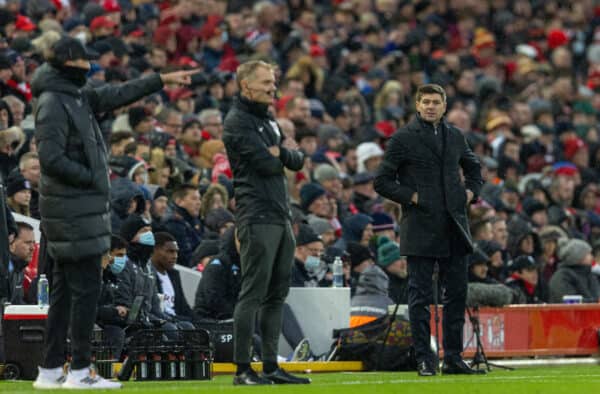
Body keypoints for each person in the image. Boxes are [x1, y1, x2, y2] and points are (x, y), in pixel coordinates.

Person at [31, 35, 198, 390]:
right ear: (66, 65)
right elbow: (50, 158)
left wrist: (159, 80)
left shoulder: (72, 95)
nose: (88, 69)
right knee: (86, 290)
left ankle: (48, 371)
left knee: (62, 292)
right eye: (82, 64)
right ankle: (78, 371)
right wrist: (93, 178)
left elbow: (115, 95)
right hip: (73, 211)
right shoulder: (53, 102)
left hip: (76, 211)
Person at [374, 84, 484, 376]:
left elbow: (474, 170)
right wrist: (413, 198)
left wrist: (470, 195)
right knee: (420, 296)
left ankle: (454, 357)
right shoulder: (403, 138)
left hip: (454, 225)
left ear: (444, 106)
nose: (431, 107)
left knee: (456, 294)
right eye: (426, 102)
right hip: (420, 226)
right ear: (418, 105)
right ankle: (424, 357)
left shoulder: (456, 135)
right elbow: (382, 181)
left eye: (436, 102)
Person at [222, 60, 308, 385]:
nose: (273, 88)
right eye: (265, 83)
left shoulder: (269, 120)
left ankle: (271, 366)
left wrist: (281, 153)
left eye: (273, 82)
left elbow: (295, 159)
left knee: (277, 295)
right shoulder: (236, 123)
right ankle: (243, 369)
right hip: (256, 215)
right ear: (246, 86)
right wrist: (281, 155)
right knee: (253, 293)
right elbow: (267, 165)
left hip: (280, 214)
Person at [150, 232, 194, 322]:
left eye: (176, 252)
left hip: (177, 321)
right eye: (170, 251)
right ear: (155, 250)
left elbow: (184, 308)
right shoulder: (148, 275)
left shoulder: (174, 275)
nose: (175, 256)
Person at [548, 238, 600, 303]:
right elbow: (569, 302)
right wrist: (596, 302)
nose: (592, 257)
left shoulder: (590, 274)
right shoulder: (561, 277)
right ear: (578, 256)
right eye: (588, 254)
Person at [5, 221, 35, 305]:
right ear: (11, 245)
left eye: (33, 243)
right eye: (28, 243)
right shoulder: (4, 269)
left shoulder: (19, 267)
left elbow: (18, 304)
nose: (33, 248)